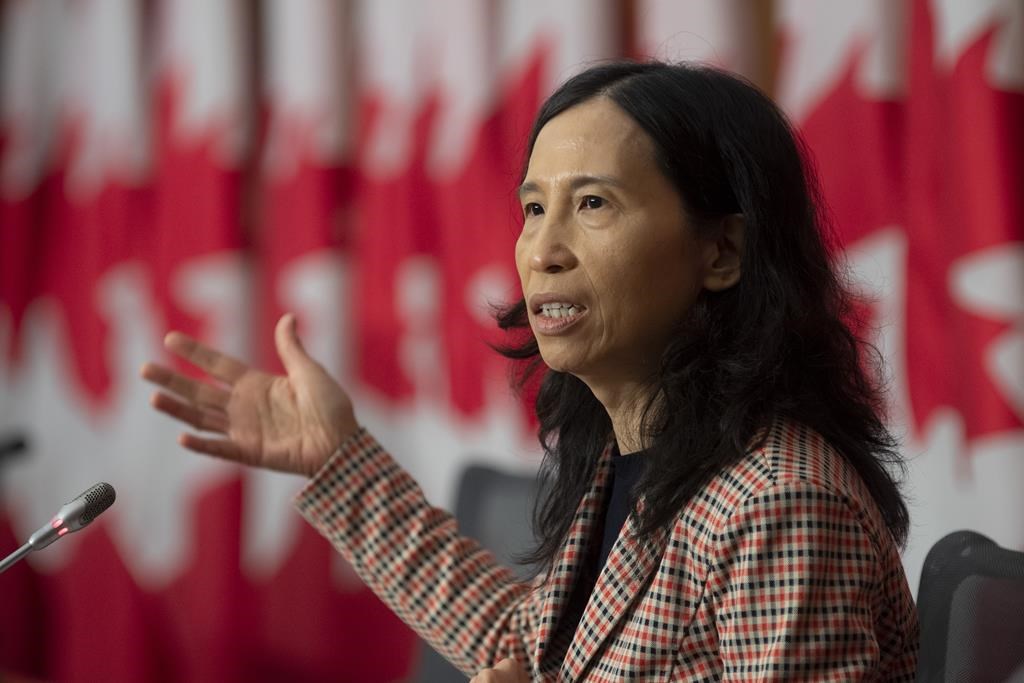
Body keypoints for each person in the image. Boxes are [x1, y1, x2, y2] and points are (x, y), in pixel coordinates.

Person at [141, 60, 919, 681]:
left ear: (721, 250)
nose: (542, 250)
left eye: (594, 205)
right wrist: (336, 461)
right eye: (535, 208)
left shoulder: (777, 503)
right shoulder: (637, 455)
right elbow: (537, 651)